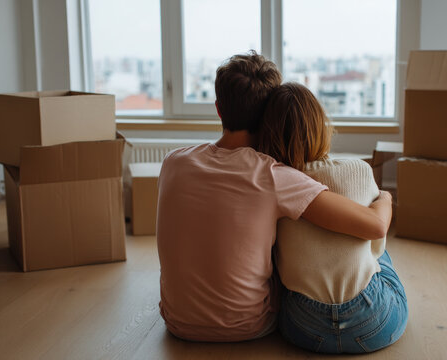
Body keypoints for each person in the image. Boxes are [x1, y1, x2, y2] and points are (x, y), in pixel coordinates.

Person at [157, 51, 392, 342]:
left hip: (177, 322)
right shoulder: (274, 176)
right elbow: (374, 225)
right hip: (248, 326)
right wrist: (384, 197)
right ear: (271, 111)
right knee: (374, 252)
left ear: (218, 108)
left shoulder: (172, 162)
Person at [258, 82, 407, 353]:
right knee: (381, 257)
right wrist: (385, 198)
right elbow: (376, 244)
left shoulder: (270, 182)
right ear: (320, 126)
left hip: (304, 327)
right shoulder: (359, 170)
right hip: (371, 322)